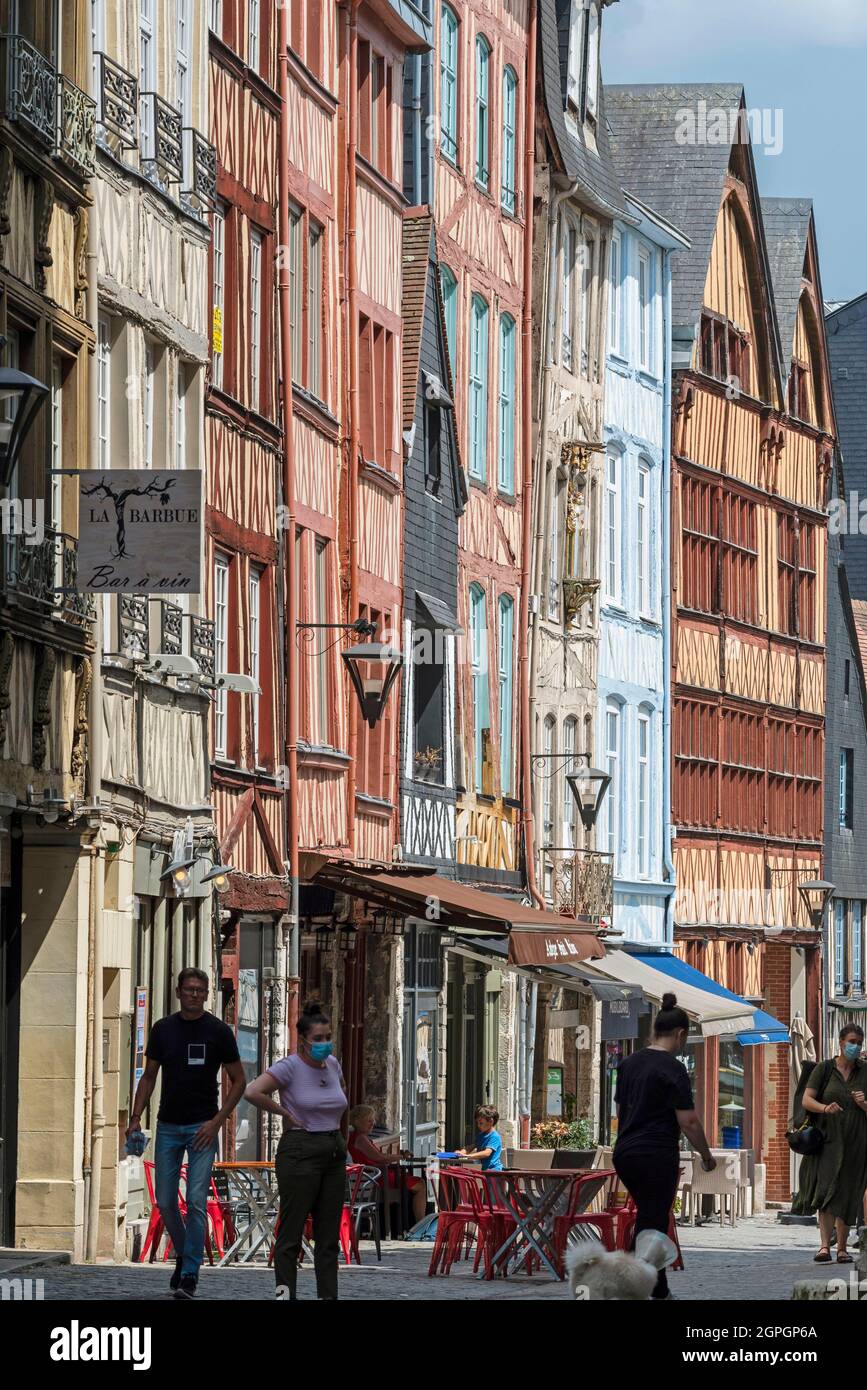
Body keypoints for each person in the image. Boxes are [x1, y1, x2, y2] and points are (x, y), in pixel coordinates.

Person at [126, 967, 245, 1300]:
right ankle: (184, 1254)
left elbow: (240, 1080)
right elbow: (148, 1076)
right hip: (168, 1124)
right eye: (189, 989)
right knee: (164, 1201)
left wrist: (218, 1121)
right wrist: (136, 1116)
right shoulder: (163, 1030)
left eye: (200, 990)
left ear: (207, 995)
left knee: (195, 1201)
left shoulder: (218, 1032)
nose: (194, 995)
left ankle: (190, 1274)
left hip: (203, 1126)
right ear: (178, 992)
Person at [612, 993, 716, 1301]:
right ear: (681, 1034)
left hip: (626, 1153)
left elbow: (622, 1112)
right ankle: (632, 1285)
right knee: (653, 1222)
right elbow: (689, 1122)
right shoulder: (673, 1069)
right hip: (656, 1153)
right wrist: (706, 1156)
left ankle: (658, 1289)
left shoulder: (628, 1064)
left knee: (650, 1218)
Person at [244, 1001, 348, 1300]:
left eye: (327, 1037)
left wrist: (344, 1141)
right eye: (317, 1039)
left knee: (328, 1239)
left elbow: (342, 1100)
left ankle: (328, 1297)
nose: (324, 1043)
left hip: (332, 1149)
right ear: (302, 1041)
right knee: (291, 1234)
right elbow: (253, 1091)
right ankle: (283, 1296)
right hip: (301, 1148)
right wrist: (283, 1113)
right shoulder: (290, 1066)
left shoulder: (333, 1064)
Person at [793, 1023, 867, 1262]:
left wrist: (864, 1104)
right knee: (826, 1189)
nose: (855, 1046)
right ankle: (824, 1246)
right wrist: (825, 1107)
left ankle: (843, 1248)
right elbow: (806, 1099)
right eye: (852, 1041)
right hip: (828, 1139)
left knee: (848, 1191)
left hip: (857, 1140)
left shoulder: (865, 1072)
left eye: (859, 1043)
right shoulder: (825, 1069)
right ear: (841, 1042)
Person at [348, 1104, 428, 1225]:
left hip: (374, 1176)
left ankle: (415, 1223)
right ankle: (420, 1224)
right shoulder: (361, 1139)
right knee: (420, 1184)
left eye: (373, 1120)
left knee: (417, 1182)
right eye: (369, 1120)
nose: (373, 1123)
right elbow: (381, 1158)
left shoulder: (359, 1138)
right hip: (376, 1178)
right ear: (358, 1121)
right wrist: (402, 1156)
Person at [456, 1104, 504, 1171]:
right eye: (477, 1123)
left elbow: (487, 1153)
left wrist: (469, 1156)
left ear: (491, 1121)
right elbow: (470, 1147)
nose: (478, 1125)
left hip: (494, 1171)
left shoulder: (494, 1136)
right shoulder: (481, 1135)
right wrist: (461, 1152)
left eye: (481, 1123)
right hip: (485, 1170)